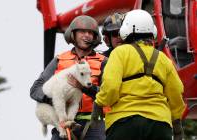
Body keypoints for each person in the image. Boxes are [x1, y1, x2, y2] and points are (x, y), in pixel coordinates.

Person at [91, 9, 185, 140]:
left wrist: (98, 103)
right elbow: (176, 92)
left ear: (125, 29)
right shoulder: (163, 59)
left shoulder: (120, 53)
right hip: (159, 124)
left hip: (124, 123)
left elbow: (111, 87)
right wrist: (176, 122)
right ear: (152, 31)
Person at [30, 15, 107, 140]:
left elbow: (110, 94)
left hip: (94, 125)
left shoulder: (104, 62)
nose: (87, 35)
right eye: (82, 31)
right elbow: (35, 89)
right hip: (64, 124)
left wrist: (84, 88)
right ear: (73, 35)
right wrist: (54, 100)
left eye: (90, 33)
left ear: (94, 37)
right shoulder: (59, 60)